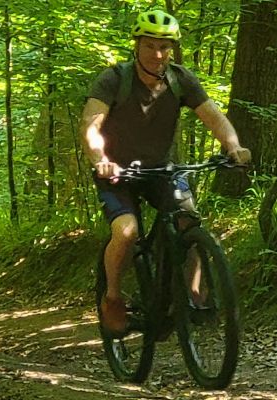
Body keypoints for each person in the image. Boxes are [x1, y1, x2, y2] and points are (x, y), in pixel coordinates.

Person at [81, 9, 251, 339]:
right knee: (127, 232)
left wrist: (233, 146)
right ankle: (113, 297)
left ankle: (193, 295)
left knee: (188, 219)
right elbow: (91, 124)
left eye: (164, 47)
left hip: (162, 169)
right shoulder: (114, 80)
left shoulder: (180, 79)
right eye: (149, 46)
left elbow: (215, 119)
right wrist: (100, 157)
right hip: (116, 172)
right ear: (136, 46)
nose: (157, 55)